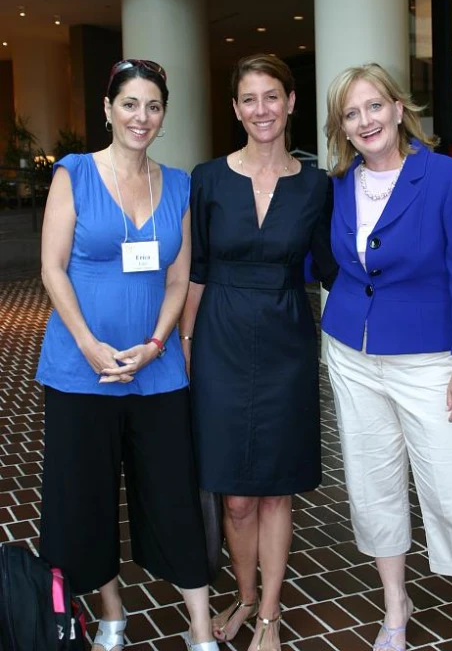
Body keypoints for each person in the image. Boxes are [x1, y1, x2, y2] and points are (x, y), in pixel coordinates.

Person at [322, 62, 452, 651]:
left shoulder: (450, 179)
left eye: (374, 106)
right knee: (372, 483)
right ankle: (395, 606)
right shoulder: (336, 185)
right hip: (352, 352)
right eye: (351, 114)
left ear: (400, 109)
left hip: (431, 358)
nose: (365, 121)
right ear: (342, 128)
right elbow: (320, 261)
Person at [36, 59, 218, 651]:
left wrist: (158, 344)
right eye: (131, 104)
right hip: (79, 370)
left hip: (157, 371)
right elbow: (52, 267)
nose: (142, 117)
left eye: (154, 106)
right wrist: (89, 345)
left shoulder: (180, 185)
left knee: (172, 494)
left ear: (164, 115)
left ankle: (198, 627)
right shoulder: (74, 174)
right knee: (86, 497)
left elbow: (179, 278)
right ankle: (112, 612)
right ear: (108, 109)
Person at [180, 54, 337, 651]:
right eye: (250, 99)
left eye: (272, 96)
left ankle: (269, 613)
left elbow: (330, 269)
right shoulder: (208, 177)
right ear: (236, 109)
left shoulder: (316, 184)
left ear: (291, 103)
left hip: (286, 339)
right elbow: (194, 269)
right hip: (218, 336)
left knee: (275, 488)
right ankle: (244, 595)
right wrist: (186, 346)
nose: (261, 109)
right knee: (236, 494)